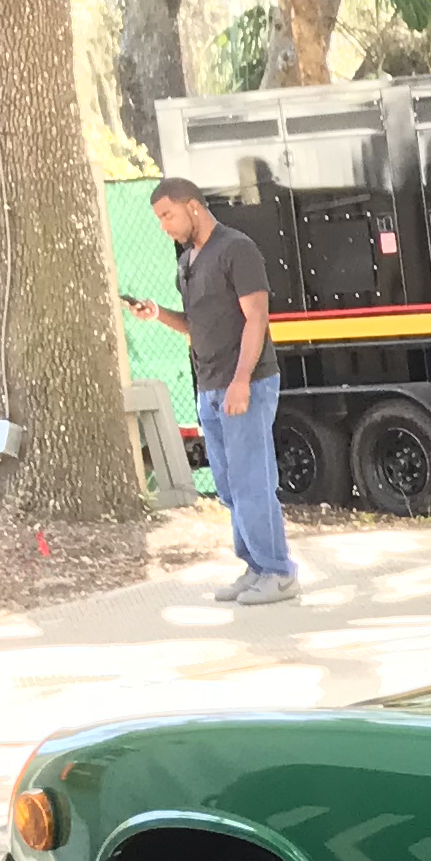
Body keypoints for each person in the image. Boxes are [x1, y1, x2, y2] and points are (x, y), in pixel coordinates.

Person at [127, 179, 295, 604]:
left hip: (246, 383)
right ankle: (255, 567)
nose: (163, 226)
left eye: (167, 215)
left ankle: (278, 572)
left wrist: (241, 380)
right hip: (209, 387)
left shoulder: (237, 249)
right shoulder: (188, 261)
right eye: (159, 219)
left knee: (252, 480)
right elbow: (194, 324)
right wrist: (158, 314)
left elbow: (256, 318)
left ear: (193, 207)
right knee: (229, 486)